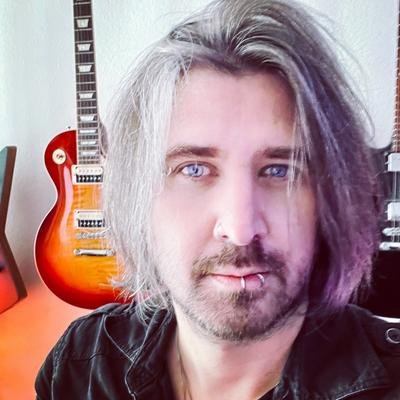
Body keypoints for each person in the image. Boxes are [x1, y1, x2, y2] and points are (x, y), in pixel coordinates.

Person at [35, 0, 400, 398]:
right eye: (194, 169)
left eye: (280, 171)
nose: (240, 229)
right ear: (136, 197)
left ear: (331, 200)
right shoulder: (83, 362)